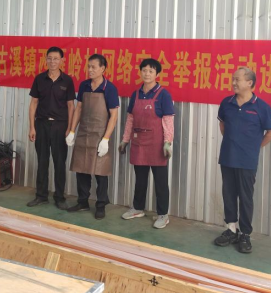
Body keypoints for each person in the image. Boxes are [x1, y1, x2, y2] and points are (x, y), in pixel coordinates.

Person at [213, 67, 271, 253]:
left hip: (247, 161)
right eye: (233, 79)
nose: (233, 83)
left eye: (237, 80)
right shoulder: (226, 103)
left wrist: (254, 147)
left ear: (250, 83)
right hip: (228, 157)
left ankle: (245, 234)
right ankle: (231, 229)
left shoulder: (261, 107)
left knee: (246, 197)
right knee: (229, 194)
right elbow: (222, 125)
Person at [119, 59, 175, 229]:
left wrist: (167, 143)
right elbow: (130, 119)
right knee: (140, 179)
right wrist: (125, 140)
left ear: (157, 74)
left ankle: (163, 214)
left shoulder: (163, 95)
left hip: (157, 145)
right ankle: (137, 208)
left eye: (151, 71)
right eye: (144, 70)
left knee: (160, 182)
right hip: (139, 142)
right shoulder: (136, 94)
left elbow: (168, 120)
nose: (147, 74)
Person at [66, 54, 119, 219]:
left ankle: (101, 205)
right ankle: (82, 201)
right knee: (81, 168)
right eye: (88, 66)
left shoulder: (109, 88)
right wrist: (72, 131)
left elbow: (114, 115)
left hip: (100, 134)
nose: (90, 70)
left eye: (93, 67)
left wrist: (106, 139)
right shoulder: (84, 85)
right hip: (84, 132)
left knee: (100, 171)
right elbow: (79, 108)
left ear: (102, 69)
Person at [27, 47, 76, 210]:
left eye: (56, 58)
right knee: (42, 161)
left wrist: (70, 128)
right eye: (50, 58)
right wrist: (32, 127)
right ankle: (41, 196)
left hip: (60, 126)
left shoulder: (67, 81)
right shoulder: (39, 79)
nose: (52, 61)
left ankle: (59, 197)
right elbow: (33, 103)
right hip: (41, 124)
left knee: (59, 162)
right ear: (46, 60)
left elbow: (71, 106)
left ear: (62, 60)